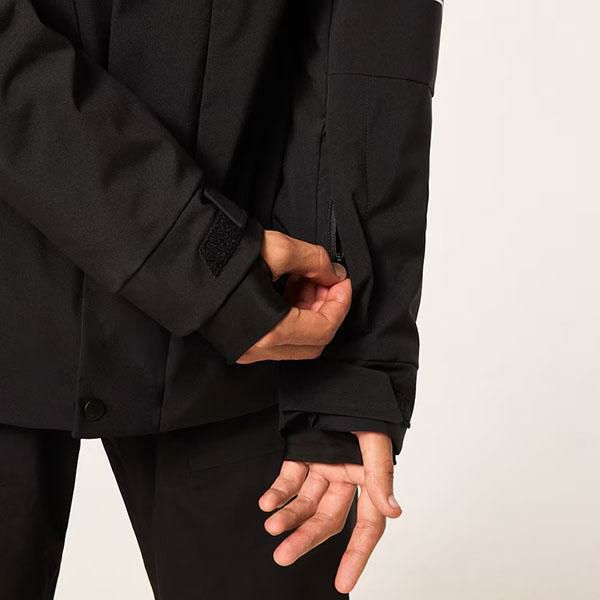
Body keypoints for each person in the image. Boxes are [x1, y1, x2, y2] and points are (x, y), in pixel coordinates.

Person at [0, 0, 443, 598]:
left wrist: (353, 362)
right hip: (239, 296)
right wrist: (201, 258)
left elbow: (373, 34)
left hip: (262, 331)